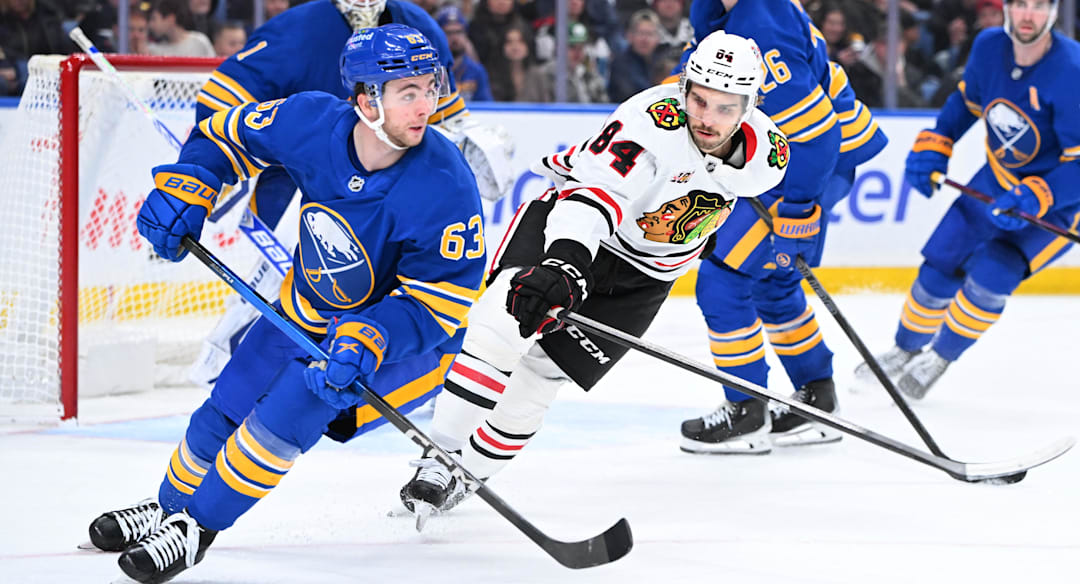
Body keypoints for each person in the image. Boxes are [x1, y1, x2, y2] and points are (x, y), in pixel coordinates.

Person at [84, 25, 485, 584]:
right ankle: (168, 507)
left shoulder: (446, 183)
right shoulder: (311, 122)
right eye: (408, 92)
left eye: (430, 87)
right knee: (226, 405)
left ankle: (195, 529)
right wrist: (190, 184)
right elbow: (222, 135)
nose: (426, 105)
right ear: (367, 99)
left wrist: (372, 337)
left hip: (387, 345)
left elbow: (440, 302)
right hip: (301, 310)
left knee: (280, 420)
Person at [397, 30, 788, 524]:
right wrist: (563, 263)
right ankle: (439, 457)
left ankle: (466, 478)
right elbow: (595, 197)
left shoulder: (769, 156)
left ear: (750, 107)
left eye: (725, 107)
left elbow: (721, 186)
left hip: (644, 277)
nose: (707, 117)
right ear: (685, 85)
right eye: (699, 98)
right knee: (502, 326)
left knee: (538, 382)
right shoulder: (648, 122)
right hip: (577, 227)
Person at [186, 0, 514, 390]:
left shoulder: (417, 26)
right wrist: (212, 160)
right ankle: (229, 366)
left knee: (377, 288)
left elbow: (442, 108)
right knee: (279, 284)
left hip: (381, 178)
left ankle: (356, 374)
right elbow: (224, 96)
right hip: (299, 178)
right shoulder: (297, 28)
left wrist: (470, 138)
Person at [674, 0, 887, 454]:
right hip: (792, 158)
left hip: (805, 165)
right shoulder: (727, 9)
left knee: (722, 280)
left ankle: (745, 412)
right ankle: (817, 399)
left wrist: (799, 208)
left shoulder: (761, 25)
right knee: (774, 284)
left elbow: (816, 133)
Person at [856, 0, 1080, 399]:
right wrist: (938, 141)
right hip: (997, 179)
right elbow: (967, 101)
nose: (1029, 15)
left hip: (1060, 201)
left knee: (993, 275)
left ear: (1054, 12)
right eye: (1021, 4)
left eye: (1040, 6)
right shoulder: (988, 46)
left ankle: (939, 358)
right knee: (939, 266)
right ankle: (905, 348)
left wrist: (1037, 195)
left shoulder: (1073, 70)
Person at [436, 5, 493, 102]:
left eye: (459, 32)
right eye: (448, 32)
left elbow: (486, 107)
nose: (454, 38)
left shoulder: (476, 71)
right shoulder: (432, 70)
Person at [147, 0, 215, 57]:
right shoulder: (153, 50)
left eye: (154, 19)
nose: (150, 24)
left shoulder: (200, 41)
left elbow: (216, 70)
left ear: (170, 19)